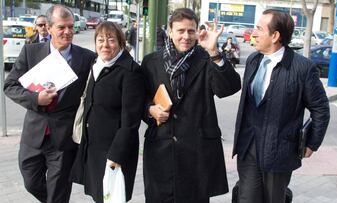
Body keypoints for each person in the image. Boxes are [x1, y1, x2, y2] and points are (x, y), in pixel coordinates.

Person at [141, 8, 241, 203]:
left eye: (191, 31)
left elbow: (228, 88)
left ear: (197, 31)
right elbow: (137, 100)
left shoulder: (206, 59)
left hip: (197, 154)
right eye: (180, 31)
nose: (186, 36)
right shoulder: (151, 62)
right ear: (170, 31)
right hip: (160, 149)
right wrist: (149, 110)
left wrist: (214, 51)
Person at [232, 9, 330, 203]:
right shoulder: (253, 60)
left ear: (275, 35)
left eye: (260, 29)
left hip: (279, 151)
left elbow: (321, 108)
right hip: (248, 146)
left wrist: (312, 143)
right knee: (247, 198)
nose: (254, 33)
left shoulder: (302, 68)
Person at [3, 5, 95, 203]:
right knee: (31, 183)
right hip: (33, 136)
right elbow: (10, 86)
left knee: (59, 191)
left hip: (63, 139)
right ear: (49, 28)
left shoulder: (86, 58)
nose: (68, 32)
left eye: (71, 27)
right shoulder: (31, 52)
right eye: (62, 27)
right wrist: (36, 99)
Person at [70, 21, 145, 203]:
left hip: (114, 150)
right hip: (94, 147)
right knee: (100, 196)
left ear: (120, 42)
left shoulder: (130, 71)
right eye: (101, 40)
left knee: (112, 196)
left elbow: (131, 120)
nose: (105, 45)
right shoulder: (96, 66)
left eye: (111, 40)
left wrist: (116, 155)